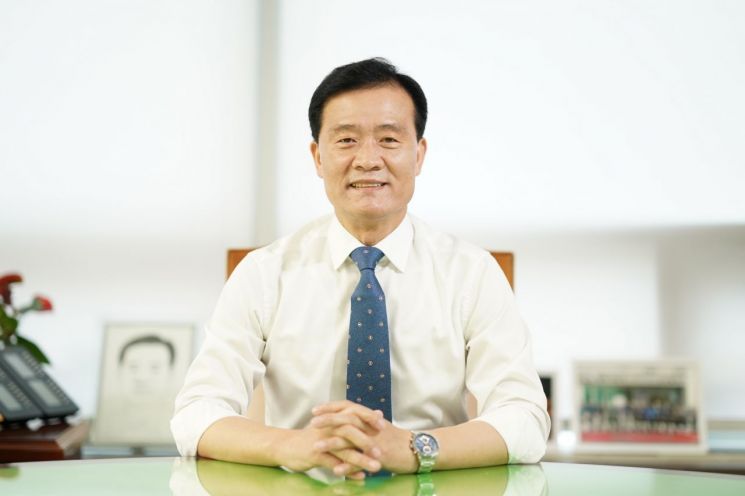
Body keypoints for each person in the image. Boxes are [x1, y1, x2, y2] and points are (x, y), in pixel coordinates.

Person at [171, 57, 549, 479]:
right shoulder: (263, 273)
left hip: (430, 483)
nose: (368, 160)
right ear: (317, 157)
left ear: (419, 154)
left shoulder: (472, 273)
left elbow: (525, 420)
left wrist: (415, 448)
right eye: (347, 140)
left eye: (389, 139)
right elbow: (195, 414)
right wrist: (291, 445)